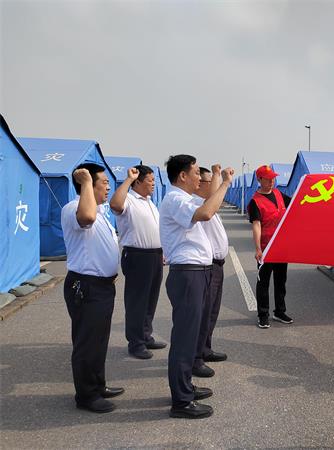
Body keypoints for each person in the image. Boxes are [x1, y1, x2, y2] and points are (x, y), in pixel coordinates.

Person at [159, 154, 233, 419]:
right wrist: (225, 183)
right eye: (195, 174)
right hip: (188, 273)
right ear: (182, 176)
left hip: (196, 272)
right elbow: (206, 212)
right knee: (184, 339)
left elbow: (208, 201)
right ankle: (181, 401)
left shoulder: (185, 198)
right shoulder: (175, 199)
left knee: (190, 336)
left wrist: (219, 179)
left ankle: (186, 387)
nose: (199, 179)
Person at [61, 163, 124, 413]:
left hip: (102, 286)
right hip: (86, 286)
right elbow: (86, 218)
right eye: (104, 183)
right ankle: (86, 396)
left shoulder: (101, 211)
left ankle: (98, 385)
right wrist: (86, 181)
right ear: (87, 185)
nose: (108, 187)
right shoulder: (74, 208)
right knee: (87, 342)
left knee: (99, 340)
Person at [109, 165, 166, 360]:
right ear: (138, 182)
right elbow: (115, 205)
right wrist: (128, 179)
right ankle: (135, 343)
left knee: (150, 299)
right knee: (137, 301)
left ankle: (146, 336)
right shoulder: (129, 200)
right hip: (137, 256)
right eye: (150, 180)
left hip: (155, 255)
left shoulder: (150, 203)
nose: (153, 184)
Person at [192, 165, 229, 378]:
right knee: (203, 313)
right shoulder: (199, 204)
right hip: (208, 265)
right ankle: (196, 357)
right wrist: (220, 177)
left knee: (212, 312)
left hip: (217, 265)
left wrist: (216, 177)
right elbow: (212, 201)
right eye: (209, 181)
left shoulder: (209, 204)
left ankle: (205, 349)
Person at [247, 165, 293, 329]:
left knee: (281, 281)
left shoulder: (279, 194)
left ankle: (280, 311)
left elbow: (295, 205)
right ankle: (263, 315)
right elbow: (256, 225)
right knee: (264, 282)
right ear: (259, 180)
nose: (272, 181)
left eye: (273, 178)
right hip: (266, 248)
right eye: (268, 179)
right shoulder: (255, 202)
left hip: (281, 246)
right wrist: (258, 248)